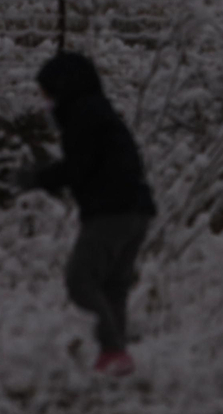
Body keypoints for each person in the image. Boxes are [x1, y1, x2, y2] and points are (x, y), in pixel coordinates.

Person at [17, 51, 156, 376]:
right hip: (136, 210)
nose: (45, 103)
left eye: (47, 94)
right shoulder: (101, 112)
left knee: (80, 279)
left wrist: (38, 178)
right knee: (113, 285)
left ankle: (111, 348)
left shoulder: (82, 116)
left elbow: (78, 167)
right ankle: (116, 356)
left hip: (110, 211)